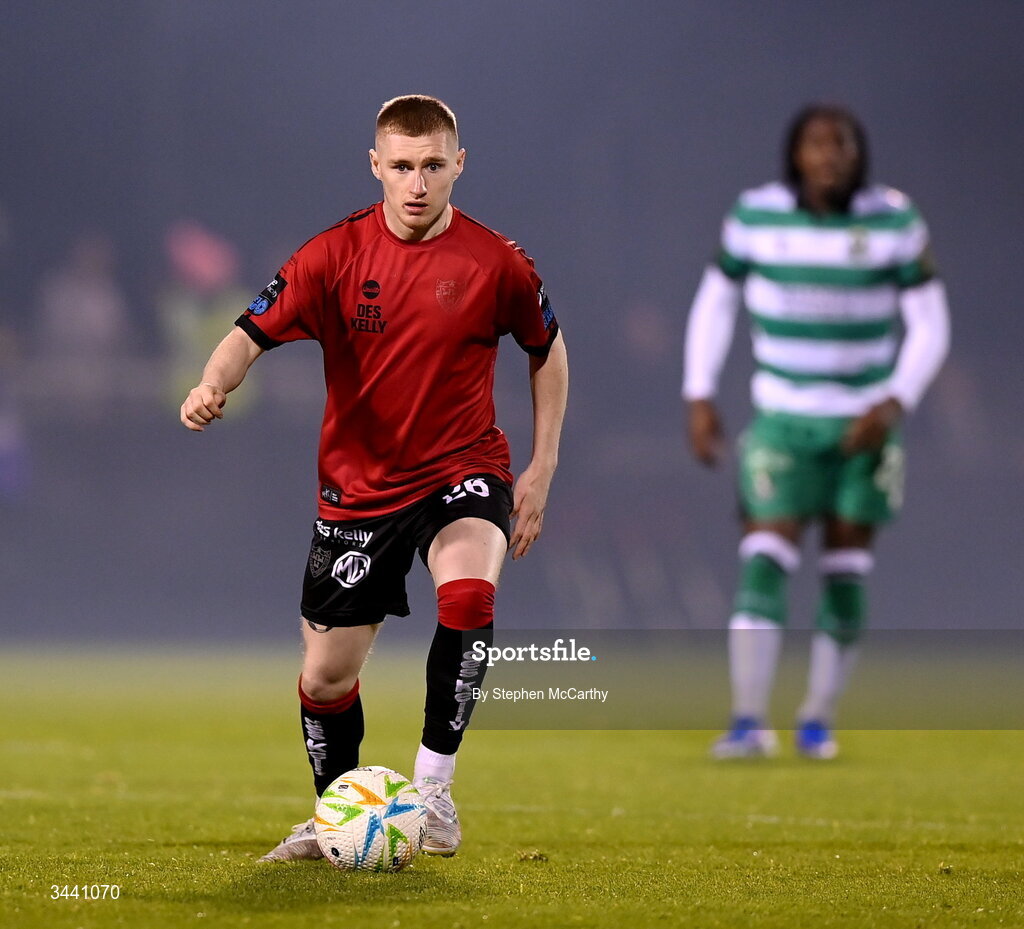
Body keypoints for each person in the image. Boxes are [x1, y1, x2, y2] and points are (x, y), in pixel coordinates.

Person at [181, 95, 568, 857]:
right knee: (325, 677)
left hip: (464, 466)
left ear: (459, 164)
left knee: (467, 592)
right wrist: (211, 382)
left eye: (432, 166)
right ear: (375, 167)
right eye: (401, 167)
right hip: (360, 489)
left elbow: (547, 349)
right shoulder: (333, 255)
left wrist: (542, 465)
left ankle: (433, 789)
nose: (417, 184)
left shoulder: (499, 262)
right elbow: (248, 331)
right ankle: (335, 817)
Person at [682, 104, 949, 760]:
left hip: (863, 425)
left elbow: (931, 323)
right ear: (794, 154)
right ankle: (748, 719)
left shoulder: (893, 220)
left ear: (859, 155)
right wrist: (699, 391)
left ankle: (817, 719)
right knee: (765, 557)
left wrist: (892, 403)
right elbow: (716, 299)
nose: (829, 156)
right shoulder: (755, 216)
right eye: (816, 144)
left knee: (845, 567)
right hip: (782, 418)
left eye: (842, 145)